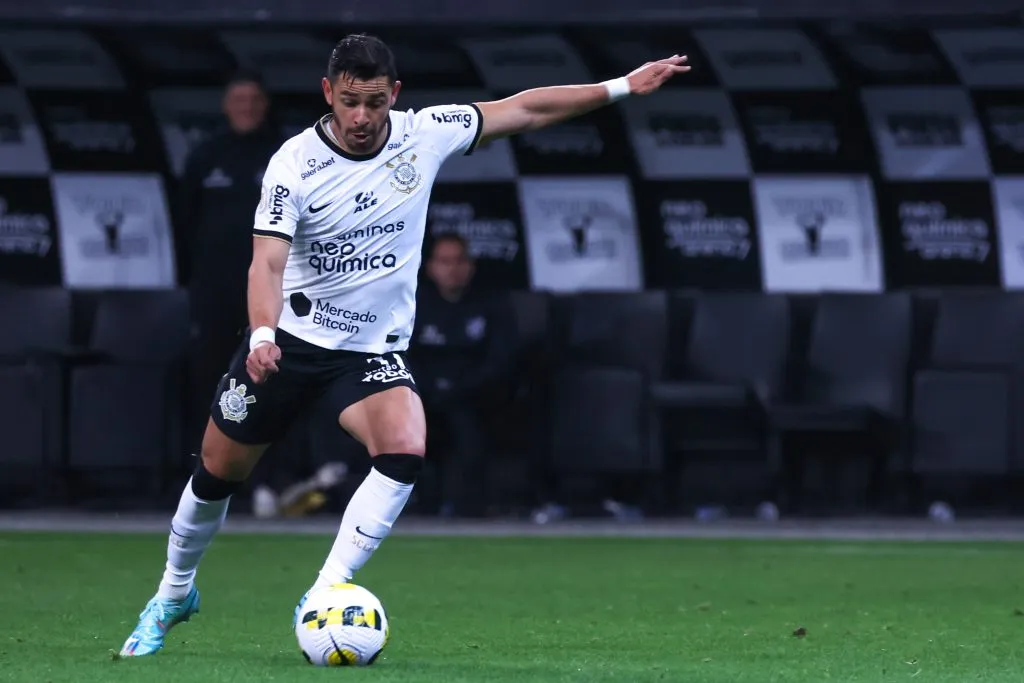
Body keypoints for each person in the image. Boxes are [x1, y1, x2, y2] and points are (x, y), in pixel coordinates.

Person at [119, 33, 689, 657]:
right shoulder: (293, 163)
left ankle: (326, 588)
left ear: (395, 95)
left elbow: (525, 108)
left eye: (374, 103)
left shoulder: (425, 134)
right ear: (328, 94)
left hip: (368, 351)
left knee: (404, 446)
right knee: (215, 476)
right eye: (350, 103)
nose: (362, 118)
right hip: (287, 342)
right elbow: (266, 266)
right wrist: (260, 333)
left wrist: (620, 86)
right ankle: (174, 593)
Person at [177, 70, 283, 454]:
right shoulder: (205, 156)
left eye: (254, 101)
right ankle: (202, 467)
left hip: (270, 290)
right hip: (213, 292)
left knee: (269, 378)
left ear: (264, 105)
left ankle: (269, 478)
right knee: (209, 376)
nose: (247, 109)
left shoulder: (283, 154)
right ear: (226, 106)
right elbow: (183, 223)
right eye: (239, 101)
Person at [410, 233, 516, 517]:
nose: (452, 269)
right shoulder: (413, 303)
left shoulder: (492, 304)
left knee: (465, 419)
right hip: (425, 396)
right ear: (430, 266)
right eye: (444, 261)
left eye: (459, 261)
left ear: (471, 265)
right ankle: (418, 505)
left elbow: (500, 361)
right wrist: (429, 390)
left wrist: (457, 389)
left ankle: (471, 509)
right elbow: (404, 355)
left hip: (474, 397)